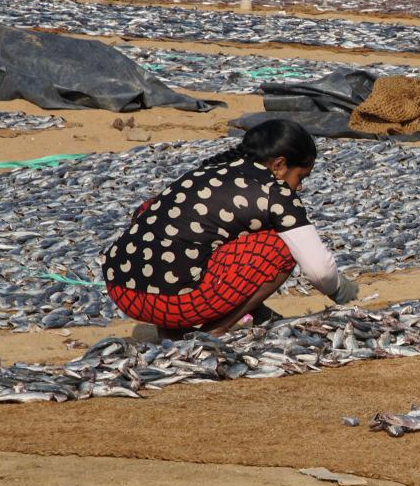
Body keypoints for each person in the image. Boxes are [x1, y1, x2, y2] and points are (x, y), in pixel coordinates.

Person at [102, 120, 359, 340]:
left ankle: (173, 332)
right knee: (280, 246)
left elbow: (144, 214)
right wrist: (339, 289)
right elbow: (318, 269)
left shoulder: (210, 170)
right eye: (300, 177)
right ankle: (217, 329)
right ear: (280, 165)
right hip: (170, 304)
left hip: (122, 290)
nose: (300, 187)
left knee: (183, 230)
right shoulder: (276, 192)